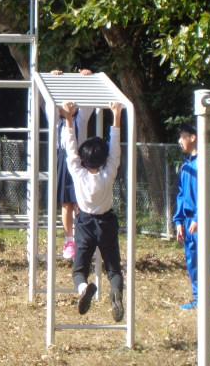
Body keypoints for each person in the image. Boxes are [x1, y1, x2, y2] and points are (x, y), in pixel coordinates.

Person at [61, 100, 124, 322]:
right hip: (106, 223)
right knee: (113, 269)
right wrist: (116, 116)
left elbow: (70, 149)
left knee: (79, 270)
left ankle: (83, 289)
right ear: (104, 158)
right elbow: (115, 149)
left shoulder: (78, 173)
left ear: (84, 159)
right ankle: (116, 292)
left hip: (85, 223)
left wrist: (69, 119)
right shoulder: (109, 172)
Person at [173, 123, 210, 310]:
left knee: (208, 258)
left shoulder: (205, 163)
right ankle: (197, 299)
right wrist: (179, 221)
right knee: (192, 259)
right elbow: (181, 195)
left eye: (182, 137)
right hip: (188, 221)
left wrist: (198, 218)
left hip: (206, 219)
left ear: (193, 137)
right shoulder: (186, 166)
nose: (179, 141)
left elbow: (208, 194)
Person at [51, 68, 94, 260]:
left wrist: (86, 80)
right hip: (64, 159)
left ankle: (82, 237)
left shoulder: (81, 119)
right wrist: (54, 81)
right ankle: (69, 240)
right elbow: (46, 101)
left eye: (72, 104)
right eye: (65, 104)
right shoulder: (55, 120)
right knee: (66, 202)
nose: (69, 106)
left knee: (81, 201)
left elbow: (88, 103)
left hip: (81, 159)